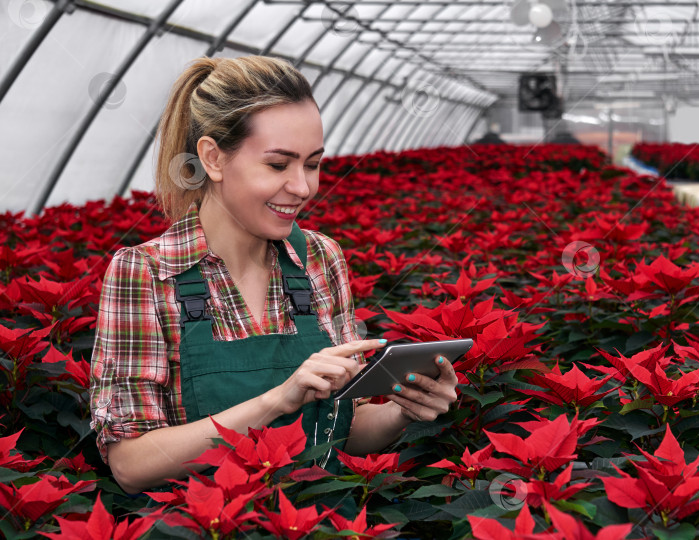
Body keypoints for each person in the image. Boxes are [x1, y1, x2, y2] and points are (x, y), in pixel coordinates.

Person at [89, 55, 459, 495]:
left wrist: (404, 410)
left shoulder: (321, 258)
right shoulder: (147, 273)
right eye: (278, 165)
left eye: (313, 164)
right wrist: (275, 401)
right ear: (213, 158)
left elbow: (345, 427)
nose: (302, 187)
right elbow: (131, 464)